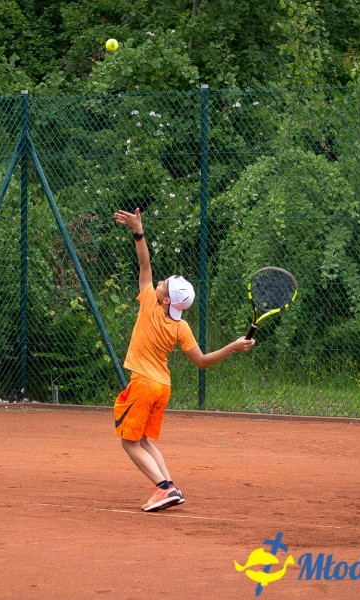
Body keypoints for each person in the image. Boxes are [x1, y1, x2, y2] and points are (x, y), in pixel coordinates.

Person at [112, 207, 254, 512]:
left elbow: (144, 262)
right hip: (163, 387)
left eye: (163, 285)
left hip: (144, 384)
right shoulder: (181, 326)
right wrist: (232, 346)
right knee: (145, 442)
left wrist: (139, 230)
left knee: (129, 442)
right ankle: (171, 486)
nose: (159, 282)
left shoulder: (150, 303)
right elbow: (202, 361)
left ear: (164, 300)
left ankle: (163, 489)